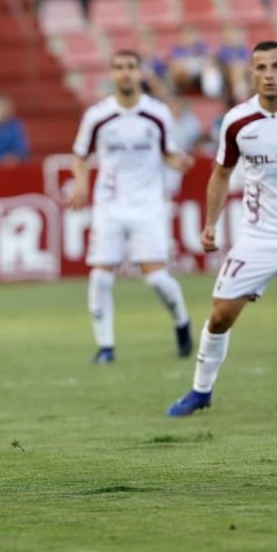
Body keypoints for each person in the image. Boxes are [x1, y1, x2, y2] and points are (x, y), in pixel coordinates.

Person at [167, 41, 277, 416]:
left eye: (276, 67)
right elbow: (220, 173)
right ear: (251, 74)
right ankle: (201, 391)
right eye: (260, 68)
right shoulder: (237, 121)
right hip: (258, 237)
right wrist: (210, 223)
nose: (268, 75)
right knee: (221, 315)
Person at [67, 50, 194, 364]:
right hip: (109, 204)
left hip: (147, 204)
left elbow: (168, 151)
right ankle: (105, 346)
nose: (125, 73)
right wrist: (81, 182)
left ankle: (181, 320)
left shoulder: (158, 114)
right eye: (119, 67)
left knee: (156, 277)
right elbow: (80, 155)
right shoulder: (98, 115)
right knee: (101, 275)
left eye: (131, 67)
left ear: (141, 74)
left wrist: (179, 162)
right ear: (112, 74)